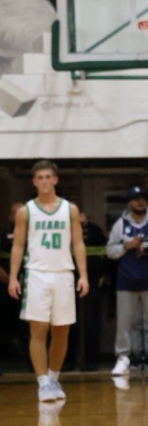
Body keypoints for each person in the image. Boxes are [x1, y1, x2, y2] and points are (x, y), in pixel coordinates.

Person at [7, 160, 89, 402]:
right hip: (36, 274)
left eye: (47, 177)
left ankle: (54, 378)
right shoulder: (26, 211)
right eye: (39, 177)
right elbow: (18, 246)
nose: (44, 181)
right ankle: (42, 382)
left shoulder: (70, 209)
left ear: (55, 180)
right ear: (34, 182)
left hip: (64, 274)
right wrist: (13, 277)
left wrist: (83, 275)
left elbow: (78, 244)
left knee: (62, 331)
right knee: (39, 329)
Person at [106, 186, 148, 377]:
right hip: (126, 282)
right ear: (129, 203)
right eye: (136, 199)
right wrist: (126, 246)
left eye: (143, 199)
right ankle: (123, 358)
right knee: (124, 323)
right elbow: (110, 251)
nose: (140, 202)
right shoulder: (120, 224)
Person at [79, 211, 107, 370]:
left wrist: (104, 275)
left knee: (90, 322)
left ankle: (91, 360)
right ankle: (68, 361)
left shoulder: (95, 230)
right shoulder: (64, 229)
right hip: (68, 280)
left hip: (92, 281)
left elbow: (105, 252)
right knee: (68, 324)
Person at [0, 202, 25, 360]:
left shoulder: (34, 235)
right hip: (5, 284)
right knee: (5, 322)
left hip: (29, 284)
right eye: (16, 213)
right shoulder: (4, 236)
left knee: (28, 325)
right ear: (10, 217)